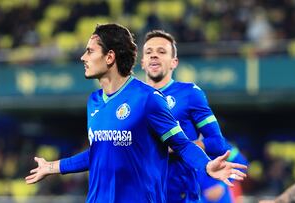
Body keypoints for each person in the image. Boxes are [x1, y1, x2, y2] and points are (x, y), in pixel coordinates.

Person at [25, 23, 247, 203]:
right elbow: (99, 152)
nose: (83, 57)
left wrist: (206, 166)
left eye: (90, 51)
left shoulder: (148, 99)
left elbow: (181, 144)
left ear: (110, 57)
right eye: (149, 51)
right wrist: (52, 167)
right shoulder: (93, 101)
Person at [141, 30, 249, 203]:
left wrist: (179, 146)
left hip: (181, 196)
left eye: (161, 52)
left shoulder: (189, 93)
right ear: (142, 62)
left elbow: (218, 143)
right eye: (149, 52)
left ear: (173, 62)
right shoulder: (130, 99)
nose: (154, 56)